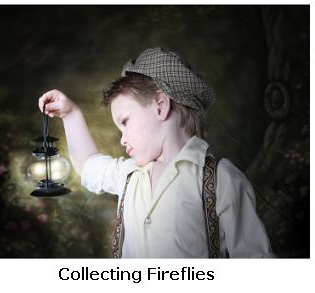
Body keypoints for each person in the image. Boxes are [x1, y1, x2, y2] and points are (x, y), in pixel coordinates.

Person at [38, 47, 274, 258]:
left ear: (160, 106)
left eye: (125, 121)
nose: (122, 138)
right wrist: (71, 115)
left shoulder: (220, 179)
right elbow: (89, 164)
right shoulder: (130, 175)